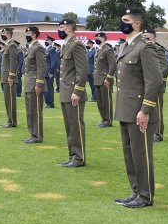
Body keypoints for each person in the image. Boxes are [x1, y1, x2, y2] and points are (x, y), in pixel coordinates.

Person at [113, 8, 162, 208]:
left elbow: (155, 81)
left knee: (141, 154)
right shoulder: (126, 46)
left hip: (139, 111)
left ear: (136, 24)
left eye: (125, 20)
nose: (121, 23)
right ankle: (135, 192)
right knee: (130, 154)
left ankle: (145, 195)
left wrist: (145, 110)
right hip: (125, 109)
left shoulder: (145, 47)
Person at [57, 19, 88, 168]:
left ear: (69, 28)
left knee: (76, 125)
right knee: (69, 126)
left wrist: (77, 91)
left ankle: (79, 158)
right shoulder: (67, 45)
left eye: (62, 27)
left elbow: (82, 71)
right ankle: (72, 155)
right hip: (65, 92)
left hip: (73, 93)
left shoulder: (76, 45)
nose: (59, 30)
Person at [143, 29, 168, 142]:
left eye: (147, 36)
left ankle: (158, 133)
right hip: (144, 84)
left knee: (156, 109)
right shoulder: (143, 48)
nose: (145, 38)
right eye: (143, 36)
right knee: (146, 108)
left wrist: (157, 81)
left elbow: (165, 66)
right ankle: (148, 131)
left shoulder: (158, 49)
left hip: (155, 85)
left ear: (153, 37)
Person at [22, 26, 46, 144]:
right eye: (26, 33)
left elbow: (41, 67)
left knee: (35, 110)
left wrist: (39, 84)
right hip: (28, 83)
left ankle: (37, 136)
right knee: (30, 111)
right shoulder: (30, 48)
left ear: (35, 34)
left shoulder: (38, 48)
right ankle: (32, 134)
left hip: (34, 84)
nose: (27, 35)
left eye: (29, 33)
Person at [92, 32, 116, 128]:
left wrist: (108, 78)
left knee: (106, 101)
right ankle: (103, 119)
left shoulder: (107, 49)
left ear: (103, 38)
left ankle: (108, 120)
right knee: (100, 102)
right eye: (95, 37)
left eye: (98, 37)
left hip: (105, 80)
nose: (96, 39)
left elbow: (113, 65)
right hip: (98, 79)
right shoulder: (98, 50)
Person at [0, 27, 18, 128]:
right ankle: (9, 120)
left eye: (4, 33)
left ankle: (12, 121)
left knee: (10, 100)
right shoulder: (7, 45)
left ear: (8, 34)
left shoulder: (11, 45)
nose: (2, 35)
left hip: (9, 78)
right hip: (5, 77)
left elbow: (13, 61)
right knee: (7, 100)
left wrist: (11, 76)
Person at [43, 36, 58, 108]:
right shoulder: (46, 49)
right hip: (45, 72)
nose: (46, 41)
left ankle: (50, 103)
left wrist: (51, 72)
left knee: (49, 88)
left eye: (47, 40)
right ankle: (47, 102)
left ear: (51, 41)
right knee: (45, 88)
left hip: (49, 73)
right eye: (45, 40)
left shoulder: (51, 50)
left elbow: (54, 62)